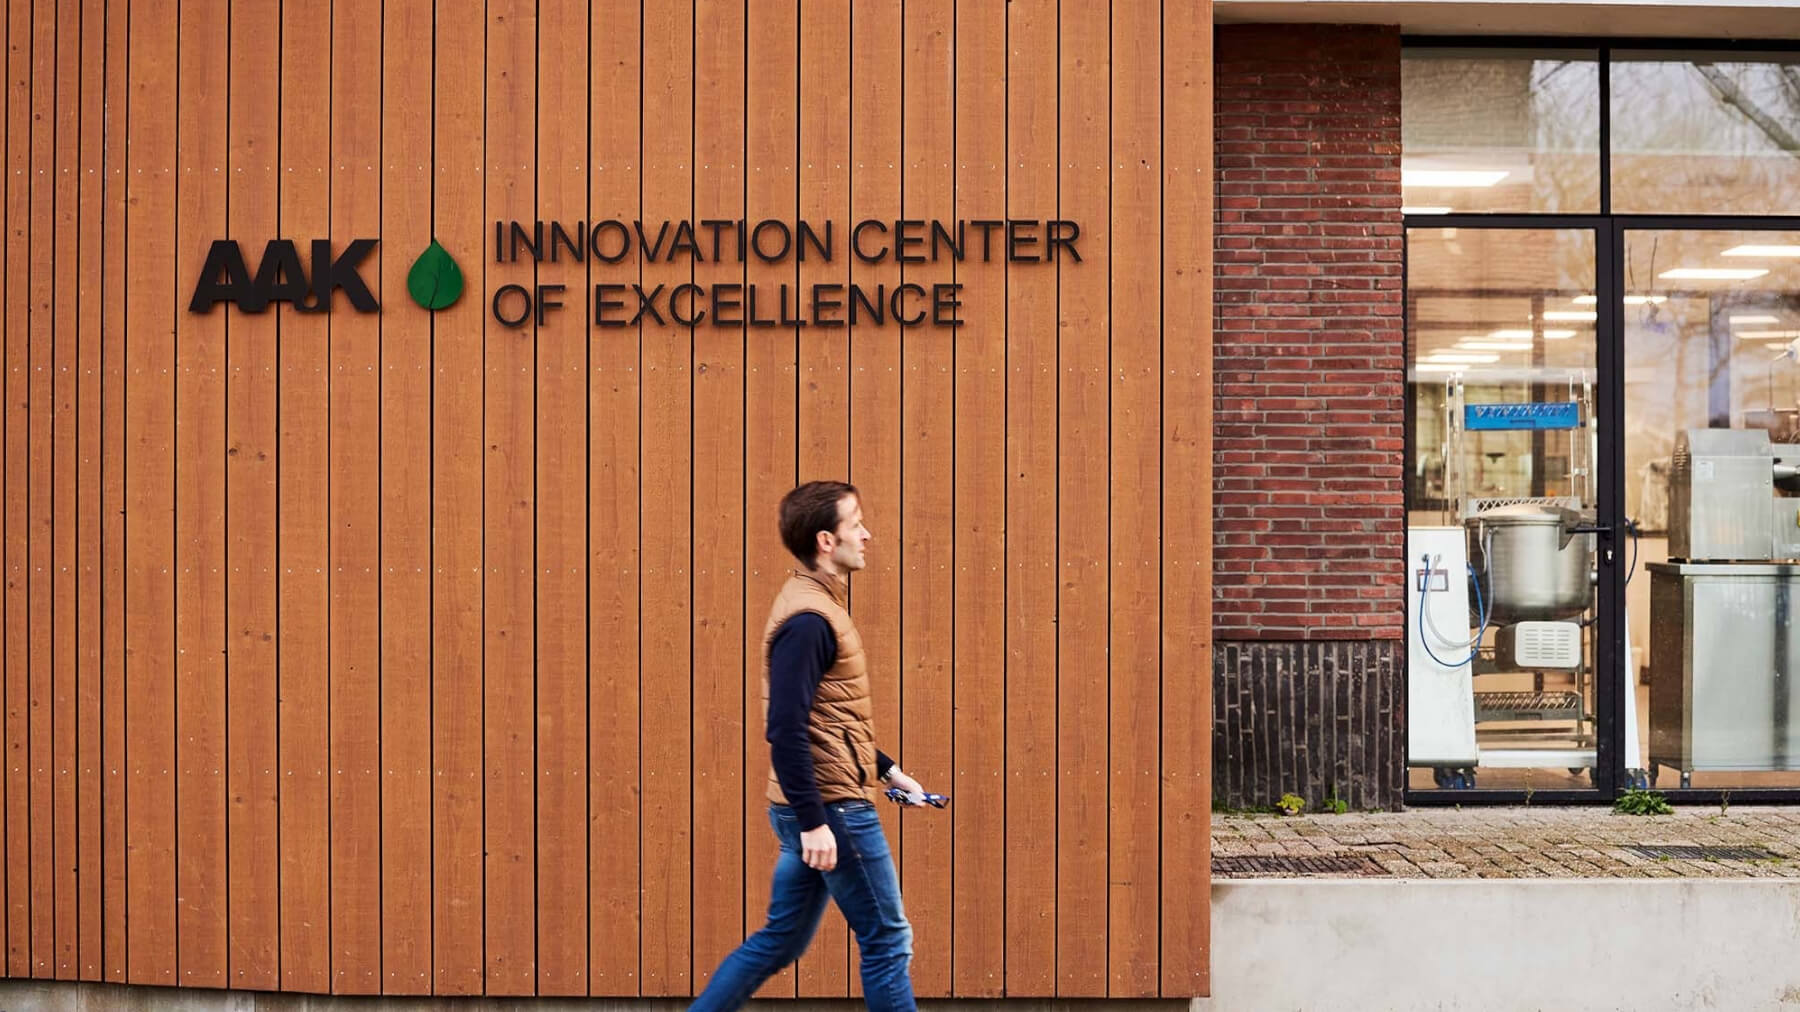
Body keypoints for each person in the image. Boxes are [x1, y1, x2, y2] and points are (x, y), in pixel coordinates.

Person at [690, 480, 934, 1012]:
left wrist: (889, 772)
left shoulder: (816, 605)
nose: (867, 535)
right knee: (888, 941)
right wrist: (815, 822)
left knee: (778, 941)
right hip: (833, 811)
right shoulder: (809, 621)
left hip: (819, 804)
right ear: (827, 540)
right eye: (856, 525)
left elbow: (830, 722)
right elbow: (786, 728)